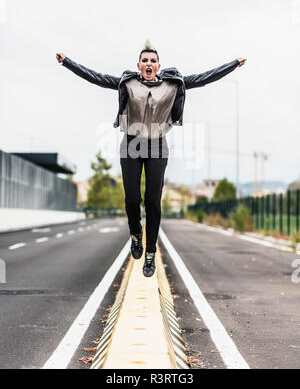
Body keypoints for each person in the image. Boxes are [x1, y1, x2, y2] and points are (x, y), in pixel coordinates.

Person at [56, 41, 246, 277]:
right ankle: (135, 234)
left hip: (157, 143)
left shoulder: (173, 84)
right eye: (144, 60)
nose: (148, 64)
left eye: (152, 61)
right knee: (132, 198)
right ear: (138, 65)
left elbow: (204, 77)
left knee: (153, 201)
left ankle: (150, 254)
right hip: (131, 142)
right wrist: (67, 63)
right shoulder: (128, 82)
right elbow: (96, 77)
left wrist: (232, 65)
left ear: (158, 65)